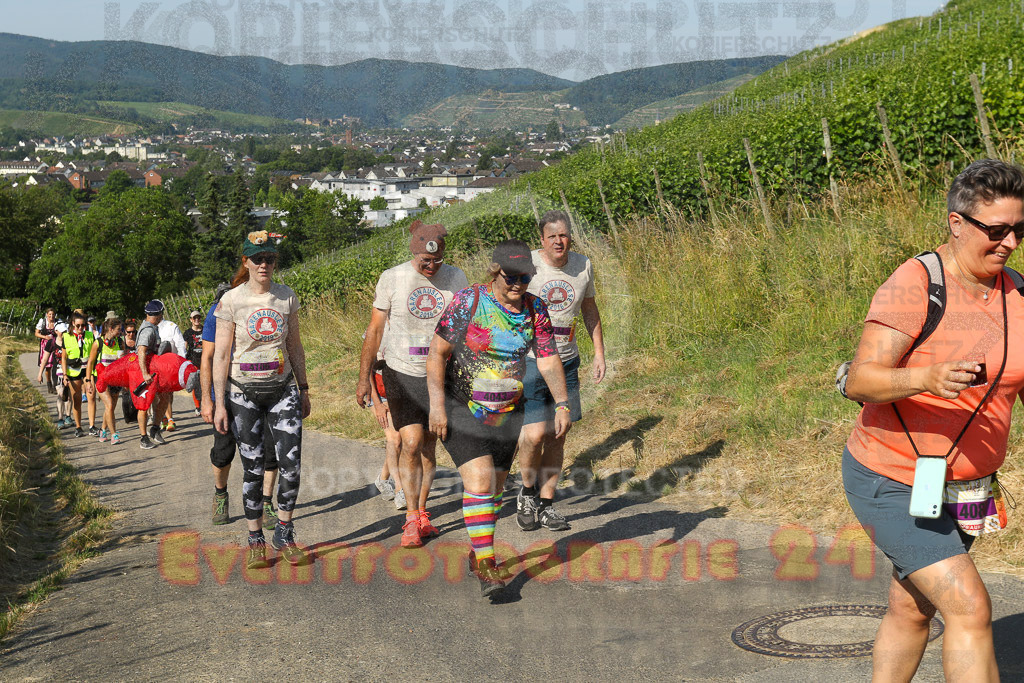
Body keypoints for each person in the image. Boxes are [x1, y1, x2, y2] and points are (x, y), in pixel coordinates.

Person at [842, 159, 1024, 682]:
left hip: (965, 486)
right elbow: (861, 379)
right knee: (969, 607)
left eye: (1020, 229)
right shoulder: (916, 283)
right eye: (996, 230)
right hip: (891, 478)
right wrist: (925, 377)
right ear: (956, 222)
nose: (1010, 242)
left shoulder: (1018, 292)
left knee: (912, 608)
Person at [427, 239, 570, 598]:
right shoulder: (469, 301)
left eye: (525, 277)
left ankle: (477, 554)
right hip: (461, 405)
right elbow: (437, 353)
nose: (517, 284)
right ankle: (489, 563)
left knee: (493, 490)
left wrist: (563, 403)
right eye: (510, 277)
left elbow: (548, 358)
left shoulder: (536, 308)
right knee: (480, 481)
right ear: (496, 271)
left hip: (508, 411)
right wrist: (437, 405)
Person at [357, 220, 468, 547]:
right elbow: (375, 330)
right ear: (413, 253)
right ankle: (409, 518)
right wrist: (364, 378)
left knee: (430, 447)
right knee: (410, 441)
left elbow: (463, 329)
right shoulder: (393, 278)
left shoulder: (456, 277)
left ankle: (421, 513)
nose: (431, 266)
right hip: (400, 372)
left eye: (437, 260)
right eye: (425, 261)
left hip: (440, 376)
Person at [213, 231, 311, 570]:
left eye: (270, 258)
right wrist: (219, 403)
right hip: (243, 393)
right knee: (253, 469)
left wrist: (304, 386)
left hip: (283, 389)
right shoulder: (232, 301)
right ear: (246, 262)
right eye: (258, 259)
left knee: (292, 465)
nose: (264, 264)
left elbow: (295, 346)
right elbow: (221, 354)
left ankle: (284, 532)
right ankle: (255, 539)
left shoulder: (286, 297)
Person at [517, 210, 606, 532]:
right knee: (535, 434)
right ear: (541, 240)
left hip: (567, 360)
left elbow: (589, 308)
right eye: (552, 236)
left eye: (564, 235)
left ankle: (546, 503)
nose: (559, 241)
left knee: (559, 432)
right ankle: (526, 493)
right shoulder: (526, 263)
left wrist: (598, 353)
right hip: (530, 361)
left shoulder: (583, 265)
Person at [201, 283, 281, 529]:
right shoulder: (217, 313)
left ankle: (266, 502)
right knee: (224, 450)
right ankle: (221, 494)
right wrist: (207, 398)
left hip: (264, 390)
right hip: (227, 392)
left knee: (270, 449)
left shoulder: (260, 310)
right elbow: (208, 358)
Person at [135, 300, 171, 450]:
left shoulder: (152, 328)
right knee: (144, 405)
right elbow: (141, 351)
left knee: (165, 397)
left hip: (154, 372)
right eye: (161, 314)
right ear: (158, 314)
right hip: (144, 373)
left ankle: (155, 429)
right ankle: (143, 438)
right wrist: (144, 374)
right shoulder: (148, 331)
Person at [85, 317, 125, 444]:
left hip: (116, 379)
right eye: (118, 329)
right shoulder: (98, 343)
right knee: (109, 405)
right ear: (111, 329)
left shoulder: (120, 342)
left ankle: (103, 429)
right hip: (101, 379)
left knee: (110, 408)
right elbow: (90, 362)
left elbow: (123, 363)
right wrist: (88, 381)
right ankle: (114, 434)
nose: (120, 332)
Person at [61, 311, 98, 438]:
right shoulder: (66, 336)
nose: (81, 328)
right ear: (72, 324)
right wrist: (65, 375)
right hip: (73, 371)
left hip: (88, 370)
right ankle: (78, 427)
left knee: (91, 396)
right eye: (78, 326)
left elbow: (94, 354)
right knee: (76, 399)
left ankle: (92, 426)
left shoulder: (89, 335)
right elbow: (64, 358)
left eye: (83, 325)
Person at [157, 309, 187, 431]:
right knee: (159, 393)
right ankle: (166, 417)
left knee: (168, 393)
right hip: (155, 365)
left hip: (171, 365)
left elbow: (180, 345)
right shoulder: (148, 328)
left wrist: (182, 364)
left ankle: (167, 417)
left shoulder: (171, 326)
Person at [184, 309, 204, 417]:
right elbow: (184, 347)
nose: (197, 320)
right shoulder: (188, 333)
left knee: (206, 384)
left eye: (198, 318)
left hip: (205, 361)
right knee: (195, 384)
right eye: (194, 318)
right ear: (191, 320)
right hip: (193, 361)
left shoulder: (205, 330)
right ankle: (197, 407)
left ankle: (206, 405)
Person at [121, 319, 140, 427]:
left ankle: (136, 414)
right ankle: (128, 415)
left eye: (133, 332)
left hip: (137, 370)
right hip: (126, 370)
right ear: (125, 332)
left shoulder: (138, 340)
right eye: (129, 332)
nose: (131, 334)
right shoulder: (122, 341)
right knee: (126, 394)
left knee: (137, 392)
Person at [35, 308, 57, 391]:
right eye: (50, 314)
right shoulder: (43, 322)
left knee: (55, 365)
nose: (51, 316)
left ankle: (55, 385)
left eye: (53, 314)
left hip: (55, 344)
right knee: (47, 366)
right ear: (47, 314)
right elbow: (36, 333)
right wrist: (45, 337)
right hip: (45, 345)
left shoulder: (57, 322)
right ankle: (49, 383)